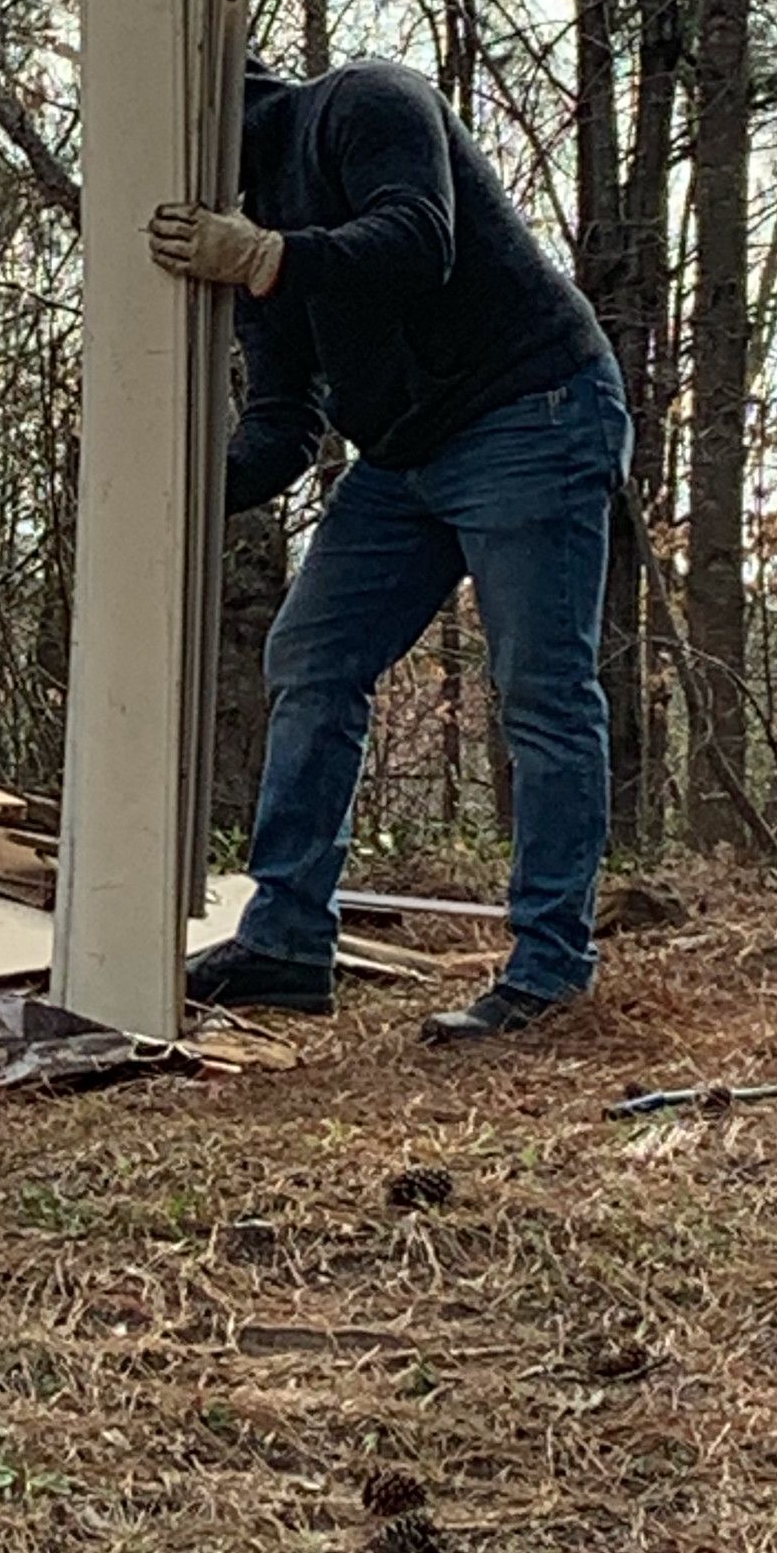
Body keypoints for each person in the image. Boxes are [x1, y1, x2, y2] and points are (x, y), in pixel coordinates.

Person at [150, 57, 632, 1043]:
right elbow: (283, 425)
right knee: (310, 655)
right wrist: (167, 494)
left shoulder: (362, 103)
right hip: (406, 453)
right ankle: (284, 944)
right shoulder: (242, 233)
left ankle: (549, 969)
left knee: (539, 690)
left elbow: (417, 238)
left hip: (528, 406)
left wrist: (265, 257)